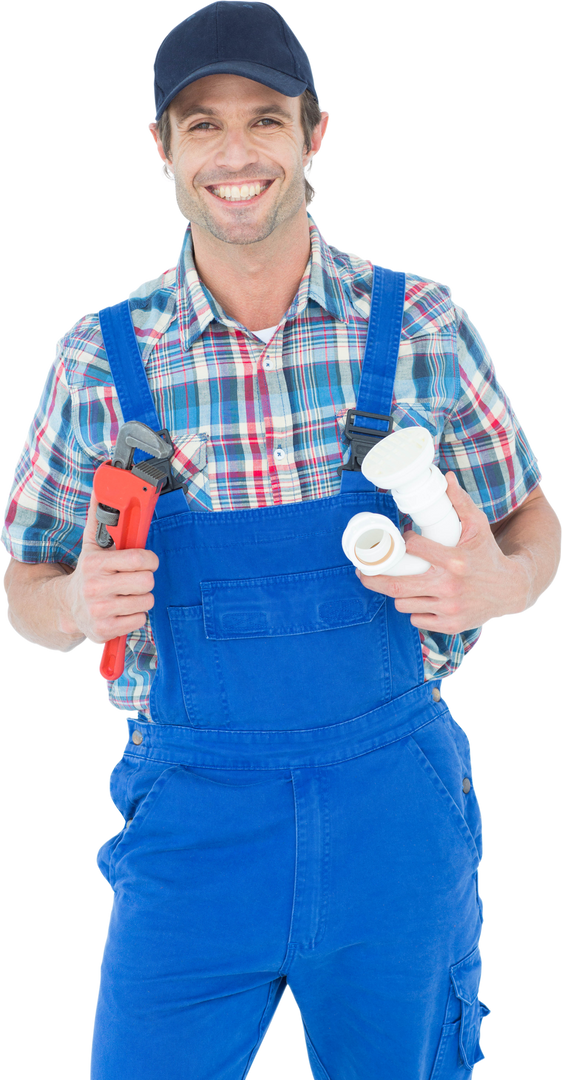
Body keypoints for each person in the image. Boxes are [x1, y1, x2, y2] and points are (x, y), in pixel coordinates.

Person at [1, 3, 560, 1078]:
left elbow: (530, 516)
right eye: (200, 124)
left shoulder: (421, 323)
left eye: (265, 117)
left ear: (315, 134)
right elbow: (26, 577)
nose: (235, 151)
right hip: (192, 824)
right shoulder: (97, 359)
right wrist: (69, 608)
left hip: (392, 811)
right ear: (161, 151)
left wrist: (507, 581)